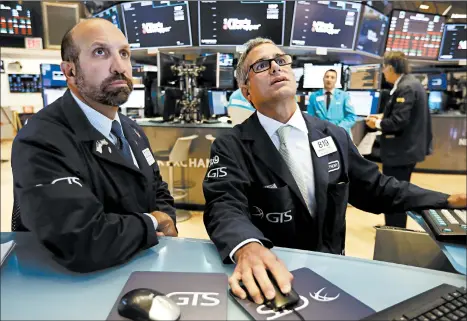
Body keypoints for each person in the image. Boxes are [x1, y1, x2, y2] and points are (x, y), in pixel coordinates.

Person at [202, 37, 466, 305]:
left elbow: (375, 188)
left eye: (281, 61)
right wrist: (247, 246)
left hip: (331, 273)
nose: (275, 68)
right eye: (261, 65)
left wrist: (445, 200)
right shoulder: (231, 145)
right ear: (246, 90)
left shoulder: (333, 135)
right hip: (273, 277)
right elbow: (223, 205)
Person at [11, 19, 177, 273]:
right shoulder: (40, 140)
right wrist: (152, 222)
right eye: (100, 52)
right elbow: (80, 239)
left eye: (124, 53)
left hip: (140, 265)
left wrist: (166, 220)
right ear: (69, 71)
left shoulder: (131, 130)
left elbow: (157, 188)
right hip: (76, 288)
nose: (119, 66)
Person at [366, 51, 433, 228]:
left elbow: (398, 122)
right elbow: (403, 115)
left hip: (401, 152)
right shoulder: (409, 83)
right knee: (398, 191)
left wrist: (377, 123)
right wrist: (381, 115)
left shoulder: (406, 87)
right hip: (406, 150)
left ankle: (394, 230)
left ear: (389, 67)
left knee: (394, 193)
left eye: (383, 68)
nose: (382, 72)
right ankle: (394, 226)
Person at [307, 69, 356, 136]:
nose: (329, 79)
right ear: (323, 79)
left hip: (340, 134)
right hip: (321, 135)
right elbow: (310, 118)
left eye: (332, 77)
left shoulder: (344, 96)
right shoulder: (314, 96)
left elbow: (351, 116)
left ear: (336, 80)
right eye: (327, 77)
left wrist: (338, 128)